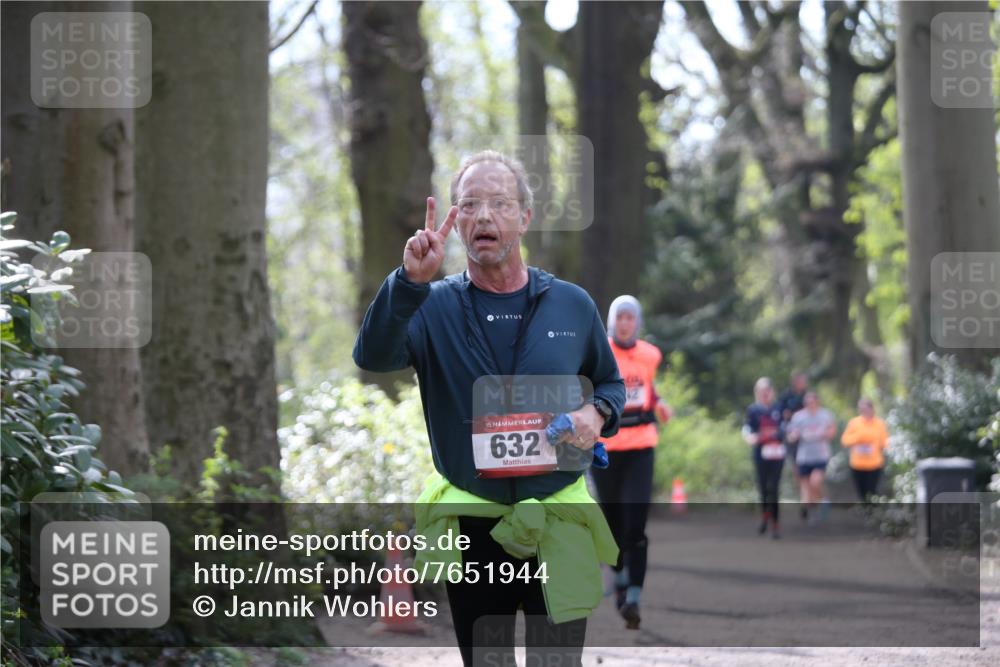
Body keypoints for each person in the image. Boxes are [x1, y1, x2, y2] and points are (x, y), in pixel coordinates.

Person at [353, 150, 625, 667]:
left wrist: (597, 415)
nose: (484, 217)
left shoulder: (572, 304)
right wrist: (408, 283)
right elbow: (373, 356)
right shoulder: (431, 306)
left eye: (499, 204)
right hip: (474, 525)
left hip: (557, 518)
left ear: (524, 218)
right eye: (470, 204)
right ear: (455, 222)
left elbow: (609, 383)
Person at [591, 295, 671, 630]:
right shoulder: (598, 352)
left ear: (637, 322)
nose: (625, 323)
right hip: (607, 451)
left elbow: (647, 391)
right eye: (620, 317)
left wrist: (660, 403)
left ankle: (634, 596)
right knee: (612, 525)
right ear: (612, 321)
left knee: (636, 525)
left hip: (641, 447)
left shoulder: (650, 355)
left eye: (630, 318)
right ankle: (620, 579)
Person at [742, 378, 785, 539]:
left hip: (777, 454)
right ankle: (765, 515)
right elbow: (747, 429)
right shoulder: (753, 410)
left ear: (772, 391)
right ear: (757, 393)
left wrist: (773, 434)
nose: (765, 394)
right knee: (763, 488)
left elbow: (784, 429)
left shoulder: (779, 408)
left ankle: (775, 524)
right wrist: (750, 437)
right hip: (761, 454)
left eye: (767, 390)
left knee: (773, 488)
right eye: (761, 391)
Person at [786, 391, 836, 522]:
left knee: (815, 482)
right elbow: (791, 435)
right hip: (804, 456)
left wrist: (822, 434)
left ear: (817, 402)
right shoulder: (798, 417)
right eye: (807, 402)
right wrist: (794, 435)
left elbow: (832, 432)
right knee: (805, 486)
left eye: (812, 402)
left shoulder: (825, 415)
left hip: (820, 455)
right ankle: (807, 510)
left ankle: (823, 500)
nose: (810, 404)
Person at [840, 398, 890, 502]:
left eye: (866, 409)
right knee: (861, 492)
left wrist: (874, 443)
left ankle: (872, 512)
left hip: (874, 464)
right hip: (857, 464)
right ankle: (866, 510)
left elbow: (885, 442)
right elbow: (845, 441)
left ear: (872, 409)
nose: (864, 411)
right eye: (861, 409)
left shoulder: (879, 424)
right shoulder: (854, 423)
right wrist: (858, 438)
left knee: (872, 491)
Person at [778, 372, 809, 505]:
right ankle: (802, 494)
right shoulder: (785, 396)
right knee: (796, 468)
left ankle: (809, 495)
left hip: (808, 438)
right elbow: (781, 414)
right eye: (802, 381)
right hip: (792, 437)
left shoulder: (808, 396)